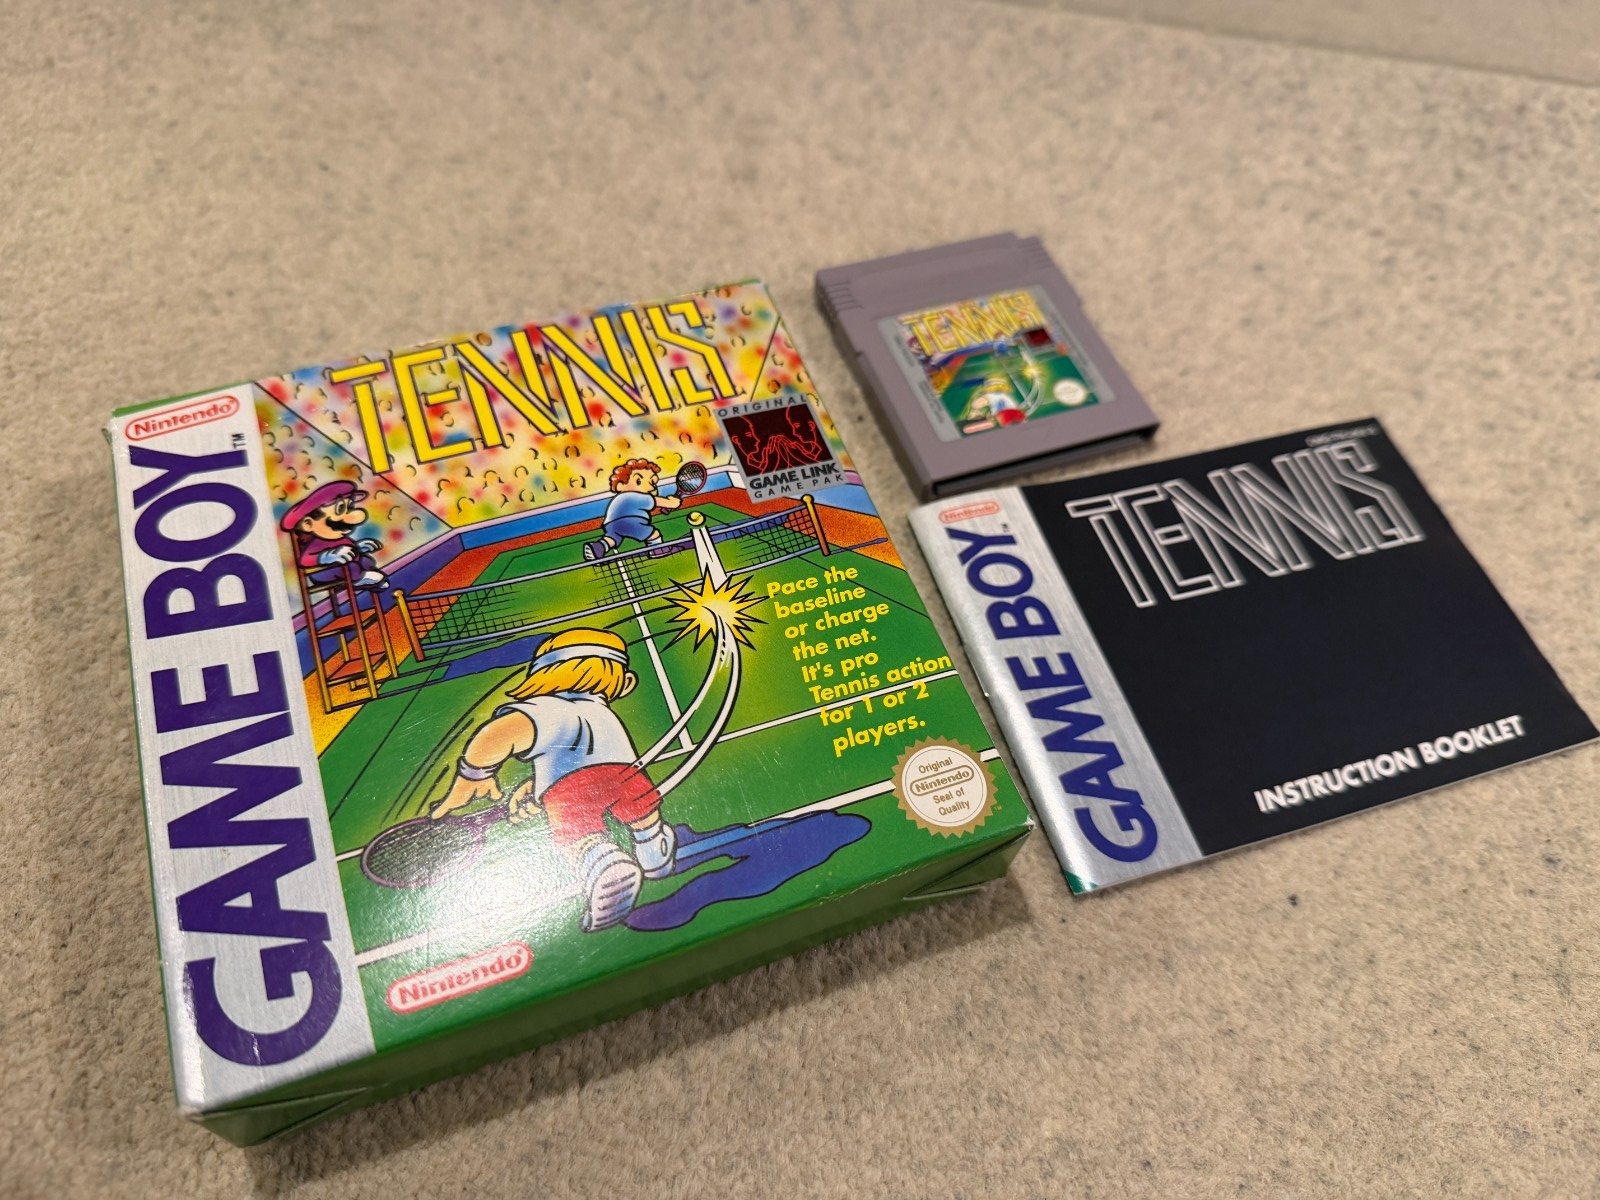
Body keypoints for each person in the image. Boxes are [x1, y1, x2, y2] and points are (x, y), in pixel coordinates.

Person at [428, 628, 676, 932]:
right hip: (627, 776)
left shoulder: (545, 707)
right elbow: (586, 753)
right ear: (623, 682)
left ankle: (601, 860)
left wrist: (473, 776)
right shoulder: (601, 711)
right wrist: (537, 787)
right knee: (642, 814)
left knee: (578, 835)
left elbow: (498, 733)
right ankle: (653, 847)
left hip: (570, 790)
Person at [280, 480, 388, 589]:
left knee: (366, 561)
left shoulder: (339, 538)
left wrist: (359, 547)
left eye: (350, 507)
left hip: (340, 566)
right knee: (352, 567)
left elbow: (350, 548)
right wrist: (326, 557)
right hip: (322, 571)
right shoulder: (316, 543)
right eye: (340, 509)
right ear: (308, 524)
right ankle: (359, 579)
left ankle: (371, 582)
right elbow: (304, 561)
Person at [583, 458, 681, 561]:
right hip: (630, 521)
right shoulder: (636, 496)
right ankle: (658, 550)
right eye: (638, 481)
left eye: (652, 482)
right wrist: (672, 503)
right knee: (653, 534)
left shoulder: (620, 498)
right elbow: (655, 501)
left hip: (610, 525)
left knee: (612, 538)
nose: (649, 487)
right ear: (621, 485)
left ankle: (598, 547)